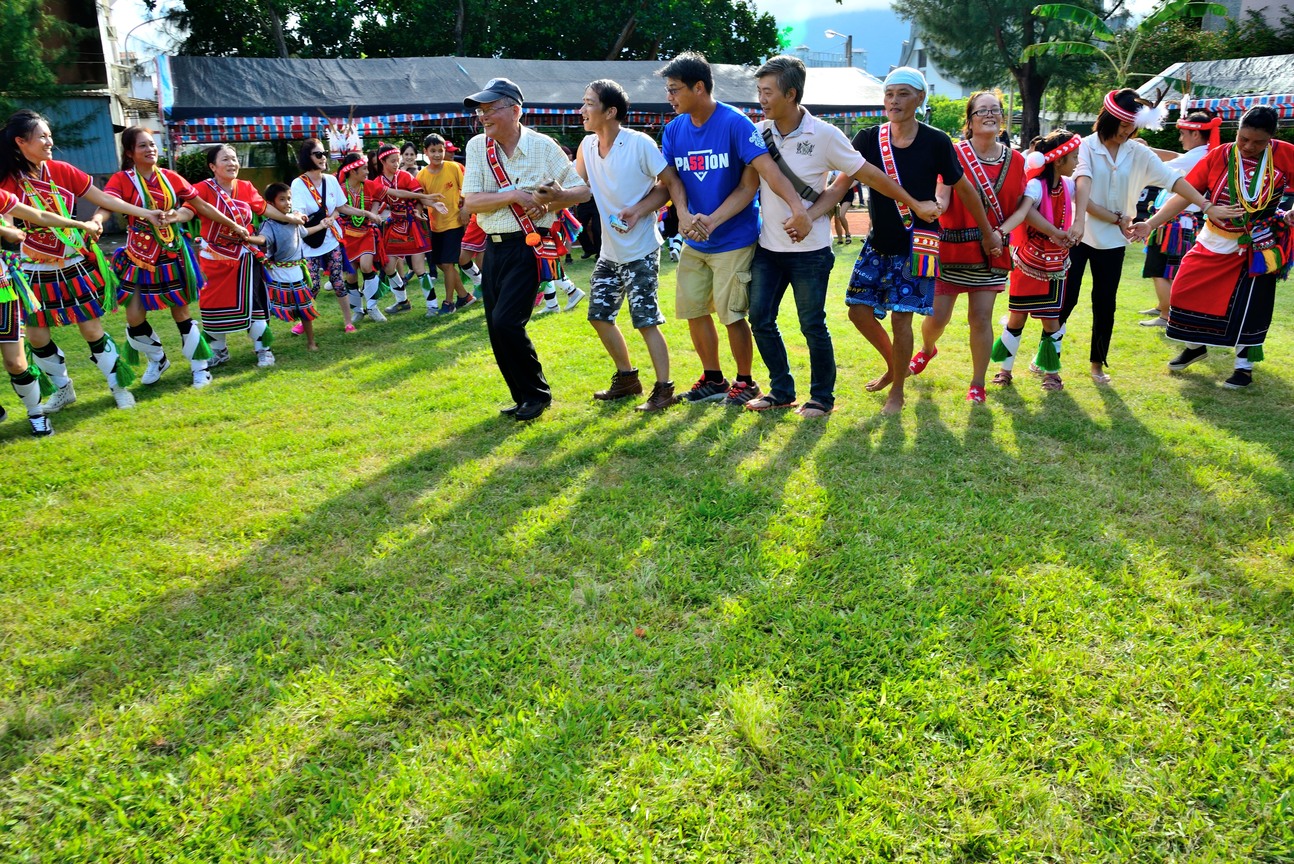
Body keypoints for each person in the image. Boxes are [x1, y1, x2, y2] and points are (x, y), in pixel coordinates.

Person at [745, 55, 940, 417]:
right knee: (760, 319)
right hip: (768, 248)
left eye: (767, 91)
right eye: (759, 91)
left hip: (811, 252)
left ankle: (822, 398)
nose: (761, 99)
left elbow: (868, 175)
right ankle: (781, 390)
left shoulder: (825, 135)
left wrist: (913, 203)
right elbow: (748, 184)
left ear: (791, 94)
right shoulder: (758, 132)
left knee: (811, 325)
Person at [656, 51, 813, 408]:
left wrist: (796, 208)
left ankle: (745, 381)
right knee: (694, 310)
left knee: (732, 315)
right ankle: (713, 378)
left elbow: (756, 180)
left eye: (675, 89)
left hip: (733, 239)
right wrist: (683, 214)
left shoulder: (736, 124)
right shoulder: (674, 129)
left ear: (699, 87)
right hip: (695, 239)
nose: (669, 97)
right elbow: (672, 180)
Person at [845, 67, 999, 415]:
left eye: (903, 94)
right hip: (878, 242)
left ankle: (897, 392)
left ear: (920, 98)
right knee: (857, 311)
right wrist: (815, 209)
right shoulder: (868, 138)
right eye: (889, 94)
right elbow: (843, 180)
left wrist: (987, 231)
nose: (894, 101)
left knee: (902, 319)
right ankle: (894, 366)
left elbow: (964, 189)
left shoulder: (936, 141)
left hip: (919, 244)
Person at [0, 109, 168, 414]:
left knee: (91, 330)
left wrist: (146, 213)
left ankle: (119, 387)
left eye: (50, 135)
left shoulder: (62, 170)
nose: (50, 142)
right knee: (37, 337)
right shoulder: (9, 181)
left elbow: (105, 199)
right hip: (33, 268)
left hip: (72, 262)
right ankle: (63, 389)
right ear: (21, 142)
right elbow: (8, 221)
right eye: (42, 137)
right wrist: (10, 232)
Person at [1064, 88, 1216, 384]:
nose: (1127, 132)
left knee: (1105, 303)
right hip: (1077, 235)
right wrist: (1101, 218)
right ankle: (1048, 357)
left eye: (1132, 126)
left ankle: (1097, 364)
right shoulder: (1083, 147)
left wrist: (1206, 205)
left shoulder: (1138, 153)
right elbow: (1082, 186)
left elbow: (1174, 180)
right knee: (1065, 299)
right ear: (1108, 119)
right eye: (1123, 125)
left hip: (1113, 241)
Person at [461, 77, 590, 422]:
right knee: (495, 326)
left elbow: (581, 192)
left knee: (507, 322)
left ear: (515, 110)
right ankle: (521, 397)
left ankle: (537, 394)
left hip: (529, 247)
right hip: (493, 248)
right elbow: (471, 202)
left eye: (490, 108)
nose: (483, 116)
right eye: (480, 111)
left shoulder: (543, 146)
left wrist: (550, 202)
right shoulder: (477, 146)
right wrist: (516, 195)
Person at [1132, 105, 1287, 389]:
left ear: (1271, 137)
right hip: (1212, 238)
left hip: (1257, 246)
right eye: (1243, 139)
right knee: (1182, 290)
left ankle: (1243, 367)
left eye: (1258, 142)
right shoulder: (1220, 155)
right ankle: (1195, 346)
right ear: (1236, 131)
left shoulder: (1285, 154)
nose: (1249, 147)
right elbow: (1184, 194)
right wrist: (1151, 223)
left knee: (1249, 305)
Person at [97, 127, 244, 390]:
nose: (150, 149)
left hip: (171, 251)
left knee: (182, 312)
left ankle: (200, 368)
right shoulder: (122, 179)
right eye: (143, 145)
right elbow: (107, 203)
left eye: (152, 144)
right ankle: (158, 358)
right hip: (138, 254)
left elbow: (200, 206)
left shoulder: (170, 177)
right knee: (134, 316)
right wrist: (96, 221)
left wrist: (232, 224)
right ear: (130, 152)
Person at [912, 90, 1030, 404]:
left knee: (980, 318)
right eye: (982, 110)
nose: (989, 115)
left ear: (1002, 117)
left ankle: (978, 383)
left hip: (991, 252)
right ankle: (927, 349)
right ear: (970, 119)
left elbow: (1022, 205)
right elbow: (942, 194)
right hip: (951, 251)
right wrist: (932, 207)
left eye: (995, 110)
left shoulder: (1017, 160)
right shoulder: (953, 153)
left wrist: (1000, 233)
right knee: (937, 317)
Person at [573, 79, 674, 411]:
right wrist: (550, 196)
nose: (582, 109)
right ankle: (627, 378)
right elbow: (577, 188)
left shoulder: (638, 143)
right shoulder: (587, 146)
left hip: (641, 250)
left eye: (589, 103)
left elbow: (668, 184)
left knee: (646, 320)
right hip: (609, 252)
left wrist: (638, 210)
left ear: (610, 111)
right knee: (599, 315)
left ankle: (664, 389)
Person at [172, 144, 305, 369]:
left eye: (234, 159)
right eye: (225, 159)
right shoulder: (202, 189)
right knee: (212, 304)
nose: (232, 163)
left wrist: (290, 218)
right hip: (214, 258)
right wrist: (175, 216)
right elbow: (189, 210)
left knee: (254, 302)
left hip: (245, 257)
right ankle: (219, 350)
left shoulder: (245, 187)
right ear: (213, 166)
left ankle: (263, 349)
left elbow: (264, 209)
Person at [0, 188, 110, 435]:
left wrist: (79, 224)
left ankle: (36, 414)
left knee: (15, 363)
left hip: (2, 288)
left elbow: (39, 215)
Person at [990, 131, 1085, 392]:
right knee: (1016, 318)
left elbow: (1086, 193)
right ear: (1058, 160)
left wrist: (1114, 218)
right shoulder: (1034, 186)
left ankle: (1052, 373)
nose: (1077, 162)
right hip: (1029, 262)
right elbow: (1025, 211)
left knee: (1051, 320)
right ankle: (1004, 370)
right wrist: (1054, 232)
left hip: (1057, 264)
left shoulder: (1068, 185)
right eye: (1074, 157)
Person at [1138, 111, 1219, 327]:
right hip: (1182, 221)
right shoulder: (1202, 153)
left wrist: (1141, 152)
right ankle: (1163, 306)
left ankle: (1166, 315)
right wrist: (1148, 149)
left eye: (1183, 134)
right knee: (1167, 268)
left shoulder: (1196, 157)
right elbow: (1174, 156)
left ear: (1195, 134)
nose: (1180, 138)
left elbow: (1160, 169)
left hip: (1172, 222)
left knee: (1158, 269)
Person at [369, 141, 445, 316]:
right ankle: (402, 301)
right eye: (392, 161)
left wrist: (430, 205)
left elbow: (419, 198)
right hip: (394, 225)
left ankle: (432, 305)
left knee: (419, 268)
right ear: (382, 162)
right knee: (388, 267)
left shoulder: (405, 176)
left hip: (412, 224)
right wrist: (372, 217)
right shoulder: (377, 182)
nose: (397, 164)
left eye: (398, 160)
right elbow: (375, 205)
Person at [259, 182, 335, 351]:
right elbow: (263, 241)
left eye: (289, 198)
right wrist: (249, 239)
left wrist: (322, 226)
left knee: (304, 308)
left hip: (297, 273)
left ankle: (311, 342)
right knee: (267, 310)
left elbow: (305, 232)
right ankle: (263, 345)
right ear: (270, 204)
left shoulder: (295, 220)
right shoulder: (268, 225)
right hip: (276, 274)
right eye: (282, 199)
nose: (287, 203)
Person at [291, 138, 353, 332]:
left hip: (332, 238)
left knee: (338, 281)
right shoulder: (298, 184)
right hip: (310, 241)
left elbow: (340, 207)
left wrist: (366, 214)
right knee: (313, 285)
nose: (323, 157)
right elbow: (298, 213)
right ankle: (304, 322)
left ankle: (348, 321)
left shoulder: (331, 180)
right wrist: (300, 217)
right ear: (307, 157)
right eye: (318, 154)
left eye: (324, 153)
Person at [417, 133, 477, 317]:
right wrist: (425, 206)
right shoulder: (421, 175)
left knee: (448, 263)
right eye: (433, 151)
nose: (437, 154)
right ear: (426, 152)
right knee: (442, 264)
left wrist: (465, 209)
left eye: (440, 150)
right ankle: (464, 296)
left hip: (454, 223)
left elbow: (467, 190)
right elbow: (420, 198)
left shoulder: (453, 167)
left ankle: (449, 302)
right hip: (435, 226)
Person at [334, 152, 391, 324]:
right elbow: (338, 208)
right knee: (351, 275)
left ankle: (372, 307)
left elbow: (387, 194)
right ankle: (357, 310)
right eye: (364, 169)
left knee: (367, 266)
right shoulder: (340, 189)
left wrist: (423, 197)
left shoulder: (369, 185)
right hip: (347, 235)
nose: (367, 172)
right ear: (353, 171)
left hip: (366, 232)